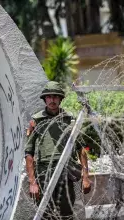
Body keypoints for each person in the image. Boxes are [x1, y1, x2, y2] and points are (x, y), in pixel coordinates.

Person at [25, 81, 91, 220]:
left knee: (66, 214)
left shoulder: (69, 120)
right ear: (45, 99)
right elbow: (29, 153)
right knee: (44, 214)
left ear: (60, 99)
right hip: (44, 175)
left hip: (65, 173)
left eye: (56, 96)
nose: (52, 100)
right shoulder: (36, 121)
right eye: (49, 97)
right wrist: (32, 182)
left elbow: (81, 149)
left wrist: (85, 177)